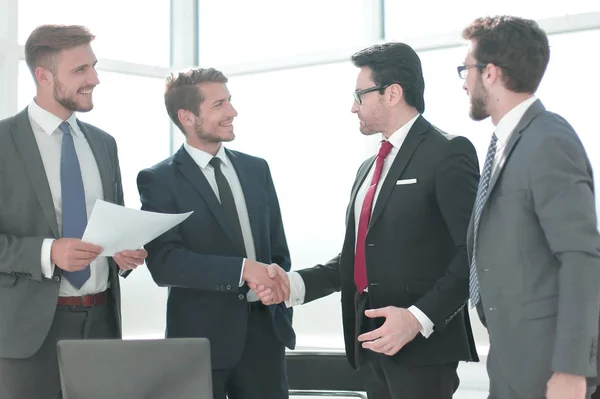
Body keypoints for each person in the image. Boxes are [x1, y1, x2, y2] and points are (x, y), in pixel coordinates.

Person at [254, 42, 479, 399]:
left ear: (392, 93)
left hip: (423, 351)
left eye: (360, 94)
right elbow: (358, 259)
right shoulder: (368, 169)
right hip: (370, 344)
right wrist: (294, 285)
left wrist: (416, 319)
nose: (353, 106)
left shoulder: (448, 152)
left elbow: (472, 254)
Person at [0, 24, 147, 399]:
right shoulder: (3, 143)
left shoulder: (103, 144)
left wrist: (122, 254)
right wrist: (48, 252)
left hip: (101, 323)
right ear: (43, 76)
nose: (94, 79)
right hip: (28, 334)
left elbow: (111, 224)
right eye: (80, 70)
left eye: (94, 67)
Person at [461, 15, 600, 399]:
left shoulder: (548, 140)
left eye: (466, 69)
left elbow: (582, 258)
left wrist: (574, 370)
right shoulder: (503, 146)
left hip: (550, 372)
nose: (463, 81)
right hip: (510, 365)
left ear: (490, 73)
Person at [137, 67, 295, 399]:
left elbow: (278, 251)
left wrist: (276, 286)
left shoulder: (257, 169)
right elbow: (165, 262)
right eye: (219, 104)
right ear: (187, 116)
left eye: (230, 101)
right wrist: (242, 269)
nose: (232, 112)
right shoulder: (159, 180)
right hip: (200, 342)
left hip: (265, 339)